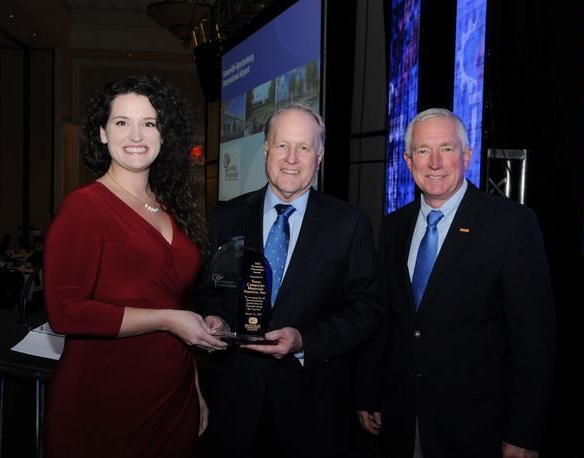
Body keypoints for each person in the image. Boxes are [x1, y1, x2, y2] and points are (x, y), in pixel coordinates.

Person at [356, 108, 557, 458]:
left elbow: (534, 340)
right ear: (407, 160)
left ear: (466, 156)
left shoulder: (511, 225)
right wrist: (368, 390)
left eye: (446, 149)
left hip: (478, 426)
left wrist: (525, 432)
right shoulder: (392, 227)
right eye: (422, 151)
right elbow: (386, 318)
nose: (434, 162)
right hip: (401, 416)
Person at [43, 75, 226, 458]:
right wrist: (167, 320)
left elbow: (173, 302)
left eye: (149, 123)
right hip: (104, 397)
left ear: (164, 134)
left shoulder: (170, 204)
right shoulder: (84, 207)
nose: (136, 135)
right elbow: (65, 313)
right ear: (103, 134)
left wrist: (195, 389)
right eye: (122, 123)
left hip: (172, 392)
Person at [198, 103, 382, 458]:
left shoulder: (350, 223)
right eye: (282, 145)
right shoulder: (227, 217)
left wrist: (303, 340)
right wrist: (215, 319)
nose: (291, 158)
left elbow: (367, 309)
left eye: (304, 147)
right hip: (237, 406)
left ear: (321, 156)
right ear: (266, 149)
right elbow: (210, 290)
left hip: (314, 408)